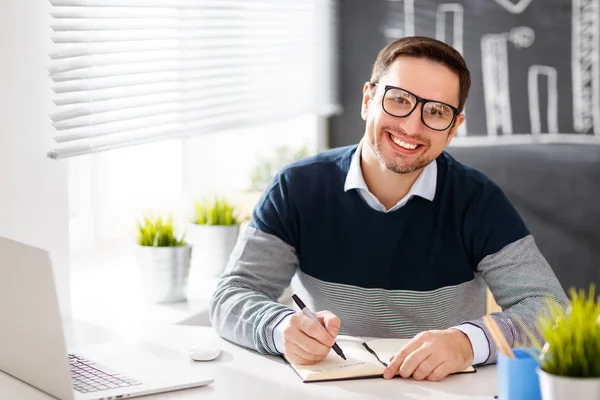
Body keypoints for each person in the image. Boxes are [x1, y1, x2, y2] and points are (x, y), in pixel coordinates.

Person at [209, 36, 568, 382]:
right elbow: (233, 294)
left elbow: (551, 310)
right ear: (368, 99)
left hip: (443, 390)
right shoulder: (296, 187)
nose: (412, 126)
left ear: (454, 128)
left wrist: (467, 343)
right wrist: (278, 328)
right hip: (329, 387)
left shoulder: (478, 201)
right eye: (398, 100)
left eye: (437, 111)